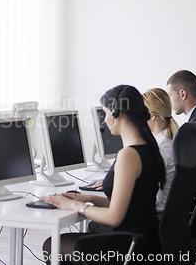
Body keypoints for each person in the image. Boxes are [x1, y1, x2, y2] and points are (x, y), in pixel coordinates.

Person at [41, 85, 165, 264]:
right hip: (145, 240)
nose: (105, 119)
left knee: (52, 246)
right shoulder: (147, 147)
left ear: (117, 114)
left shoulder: (128, 156)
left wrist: (74, 206)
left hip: (129, 247)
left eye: (106, 113)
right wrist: (86, 197)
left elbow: (115, 217)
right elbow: (132, 204)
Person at [142, 87, 179, 212]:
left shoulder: (161, 149)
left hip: (157, 214)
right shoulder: (171, 140)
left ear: (152, 116)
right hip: (168, 213)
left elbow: (153, 198)